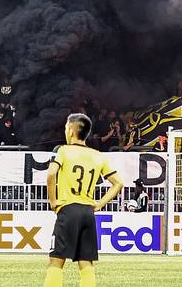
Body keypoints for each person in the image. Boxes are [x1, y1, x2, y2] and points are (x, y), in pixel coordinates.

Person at [43, 113, 124, 287]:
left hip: (68, 210)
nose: (65, 130)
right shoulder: (98, 155)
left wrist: (53, 201)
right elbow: (118, 183)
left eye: (66, 127)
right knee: (86, 263)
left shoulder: (62, 150)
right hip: (88, 213)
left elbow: (50, 174)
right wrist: (99, 204)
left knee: (56, 261)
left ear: (71, 131)